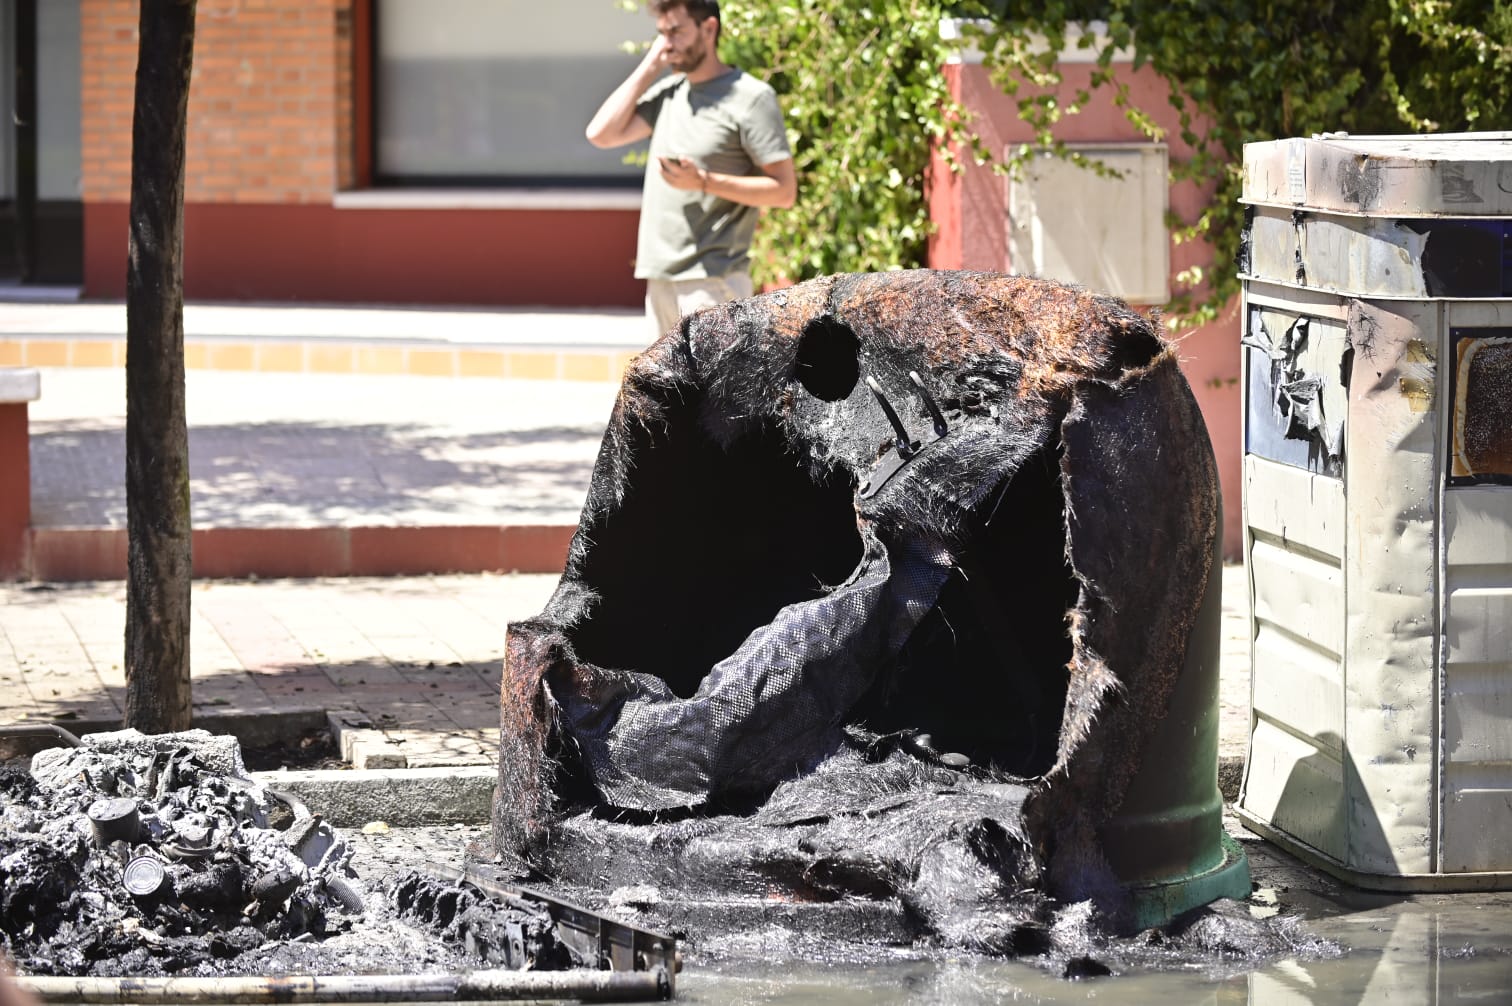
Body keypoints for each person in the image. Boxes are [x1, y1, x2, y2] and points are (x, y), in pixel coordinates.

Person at [586, 0, 796, 340]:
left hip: (713, 281)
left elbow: (784, 192)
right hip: (659, 278)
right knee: (663, 395)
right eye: (662, 33)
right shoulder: (669, 95)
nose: (668, 43)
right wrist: (651, 64)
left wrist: (703, 182)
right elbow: (600, 134)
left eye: (677, 31)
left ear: (709, 29)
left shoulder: (751, 98)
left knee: (715, 395)